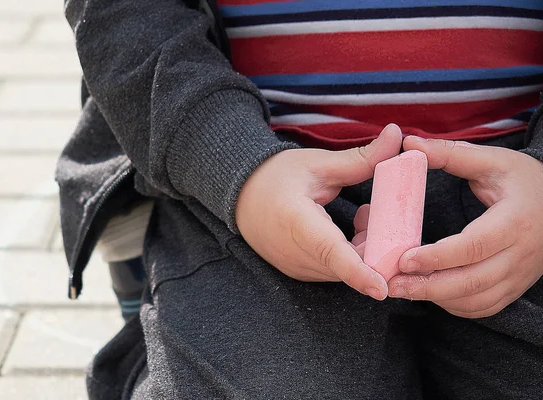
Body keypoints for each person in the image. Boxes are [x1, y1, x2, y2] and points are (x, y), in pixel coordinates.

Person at [55, 0, 543, 398]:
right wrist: (238, 169)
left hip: (524, 194)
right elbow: (128, 17)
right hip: (266, 180)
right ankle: (158, 323)